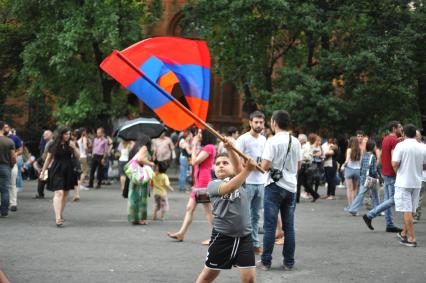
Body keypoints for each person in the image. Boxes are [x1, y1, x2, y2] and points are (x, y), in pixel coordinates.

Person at [195, 143, 257, 283]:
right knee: (207, 277)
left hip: (244, 237)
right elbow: (230, 186)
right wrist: (248, 170)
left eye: (225, 163)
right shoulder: (213, 185)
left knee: (249, 279)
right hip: (222, 238)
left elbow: (238, 169)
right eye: (217, 164)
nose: (221, 165)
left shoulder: (241, 180)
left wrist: (230, 149)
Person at [256, 110, 302, 271]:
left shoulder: (272, 141)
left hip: (274, 187)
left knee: (269, 226)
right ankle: (289, 262)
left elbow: (265, 166)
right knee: (289, 227)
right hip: (291, 187)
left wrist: (257, 164)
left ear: (274, 122)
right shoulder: (295, 141)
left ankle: (266, 262)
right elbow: (298, 166)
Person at [167, 128, 216, 244]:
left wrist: (193, 145)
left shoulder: (209, 147)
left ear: (206, 134)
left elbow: (194, 161)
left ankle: (215, 237)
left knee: (208, 210)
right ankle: (181, 233)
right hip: (198, 181)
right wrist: (190, 146)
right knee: (190, 208)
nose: (198, 135)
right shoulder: (205, 147)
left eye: (200, 133)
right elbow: (192, 157)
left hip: (203, 181)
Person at [362, 121, 403, 233]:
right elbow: (394, 158)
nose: (401, 129)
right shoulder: (394, 141)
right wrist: (398, 172)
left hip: (385, 172)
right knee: (394, 199)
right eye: (400, 127)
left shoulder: (386, 139)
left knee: (388, 199)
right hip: (392, 173)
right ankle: (370, 215)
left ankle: (389, 224)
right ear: (394, 129)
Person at [236, 110, 266, 255]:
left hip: (261, 182)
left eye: (261, 122)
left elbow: (265, 160)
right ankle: (243, 244)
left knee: (256, 215)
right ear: (250, 122)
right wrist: (245, 164)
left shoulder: (264, 140)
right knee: (244, 215)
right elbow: (235, 160)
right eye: (256, 122)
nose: (259, 125)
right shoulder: (243, 139)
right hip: (247, 182)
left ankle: (254, 243)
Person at [392, 124, 426, 247]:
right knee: (410, 210)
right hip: (417, 182)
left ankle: (412, 238)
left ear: (404, 134)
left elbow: (395, 163)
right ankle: (404, 233)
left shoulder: (400, 146)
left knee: (406, 211)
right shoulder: (422, 147)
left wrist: (399, 172)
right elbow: (425, 165)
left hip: (403, 182)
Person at [40, 127, 80, 227]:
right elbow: (48, 158)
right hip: (56, 169)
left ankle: (60, 212)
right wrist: (43, 171)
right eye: (66, 134)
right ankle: (58, 217)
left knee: (65, 193)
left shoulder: (71, 144)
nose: (68, 136)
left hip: (68, 169)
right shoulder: (53, 144)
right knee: (59, 192)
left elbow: (78, 157)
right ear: (61, 134)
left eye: (69, 134)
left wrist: (74, 147)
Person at [125, 135, 155, 225]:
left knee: (133, 197)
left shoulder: (134, 147)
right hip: (141, 175)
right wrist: (150, 163)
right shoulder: (144, 147)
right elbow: (140, 159)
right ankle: (141, 218)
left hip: (134, 175)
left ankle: (134, 218)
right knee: (142, 197)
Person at [347, 140, 380, 215]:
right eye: (375, 146)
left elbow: (361, 167)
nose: (375, 147)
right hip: (371, 179)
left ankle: (353, 208)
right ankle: (378, 210)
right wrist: (377, 176)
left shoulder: (363, 155)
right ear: (372, 147)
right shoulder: (373, 157)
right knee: (375, 194)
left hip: (364, 177)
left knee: (361, 194)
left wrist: (362, 176)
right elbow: (374, 170)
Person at [3, 123, 23, 212]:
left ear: (9, 128)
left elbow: (21, 150)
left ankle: (13, 203)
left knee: (12, 184)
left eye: (6, 127)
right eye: (4, 127)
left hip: (12, 163)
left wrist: (16, 154)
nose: (5, 128)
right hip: (4, 163)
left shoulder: (15, 138)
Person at [0, 121, 16, 217]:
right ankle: (4, 212)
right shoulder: (9, 141)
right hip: (5, 166)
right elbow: (13, 157)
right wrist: (11, 166)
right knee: (5, 190)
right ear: (3, 128)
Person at [341, 136, 361, 209]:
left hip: (349, 170)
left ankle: (350, 206)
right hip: (358, 170)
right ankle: (354, 207)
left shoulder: (349, 149)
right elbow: (361, 162)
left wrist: (343, 166)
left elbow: (347, 160)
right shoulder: (360, 150)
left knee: (349, 189)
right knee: (355, 189)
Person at [413, 130, 425, 222]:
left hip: (422, 175)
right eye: (415, 136)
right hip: (419, 177)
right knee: (419, 197)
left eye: (418, 136)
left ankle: (416, 215)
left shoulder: (424, 147)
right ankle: (416, 215)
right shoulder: (412, 148)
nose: (416, 137)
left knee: (419, 197)